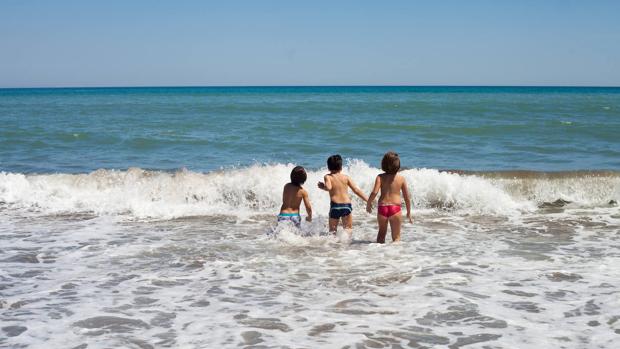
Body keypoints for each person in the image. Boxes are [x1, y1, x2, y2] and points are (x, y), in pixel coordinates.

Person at [366, 151, 413, 243]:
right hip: (395, 208)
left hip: (382, 208)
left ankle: (378, 255)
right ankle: (393, 256)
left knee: (381, 235)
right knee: (396, 237)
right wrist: (408, 212)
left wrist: (368, 203)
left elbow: (374, 192)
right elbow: (407, 197)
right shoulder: (401, 179)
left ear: (383, 164)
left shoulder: (380, 177)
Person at [318, 154, 368, 235]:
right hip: (346, 206)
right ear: (341, 167)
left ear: (328, 167)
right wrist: (367, 200)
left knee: (332, 232)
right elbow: (356, 190)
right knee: (348, 230)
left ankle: (333, 246)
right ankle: (347, 246)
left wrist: (323, 187)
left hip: (335, 206)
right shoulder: (346, 177)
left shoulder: (328, 176)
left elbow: (329, 187)